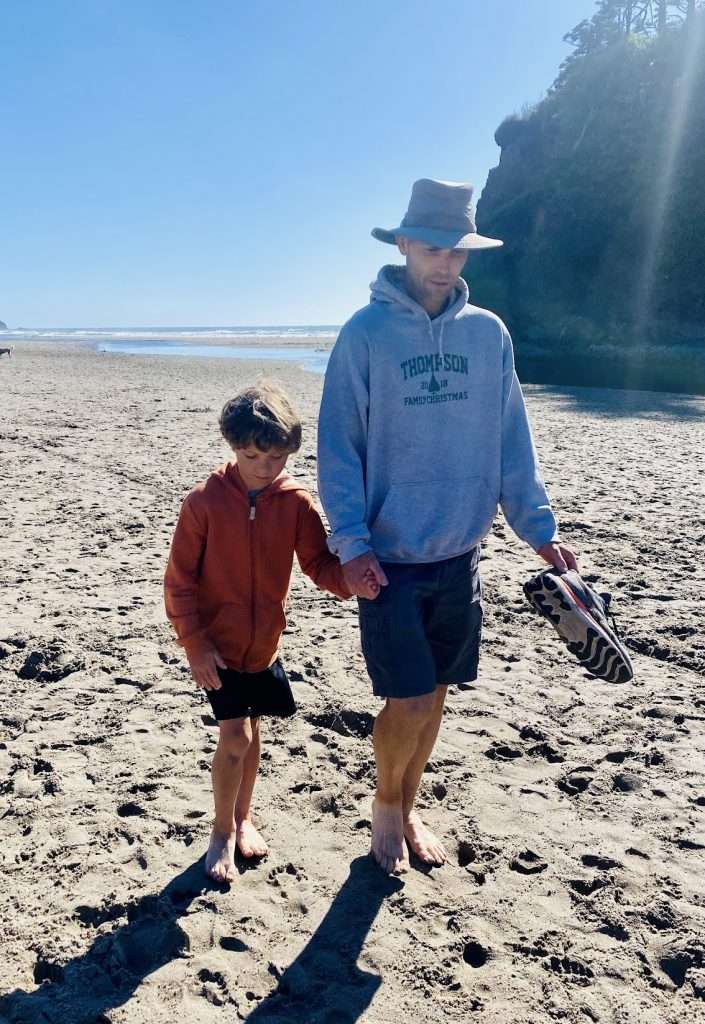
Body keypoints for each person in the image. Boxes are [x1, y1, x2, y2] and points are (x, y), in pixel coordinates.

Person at [317, 178, 577, 875]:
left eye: (456, 252)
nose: (444, 263)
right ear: (403, 244)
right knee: (403, 697)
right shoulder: (364, 334)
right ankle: (384, 804)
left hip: (459, 551)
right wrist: (351, 544)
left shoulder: (487, 334)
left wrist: (537, 526)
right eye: (432, 248)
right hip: (389, 557)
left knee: (433, 696)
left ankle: (409, 805)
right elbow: (338, 446)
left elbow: (509, 435)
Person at [164, 381, 370, 883]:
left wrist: (351, 580)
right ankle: (220, 833)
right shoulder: (204, 502)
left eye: (277, 457)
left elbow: (318, 563)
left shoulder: (295, 503)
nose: (265, 467)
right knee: (234, 737)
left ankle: (244, 816)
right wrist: (194, 643)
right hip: (218, 647)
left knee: (253, 734)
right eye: (254, 455)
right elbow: (179, 580)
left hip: (265, 646)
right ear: (234, 447)